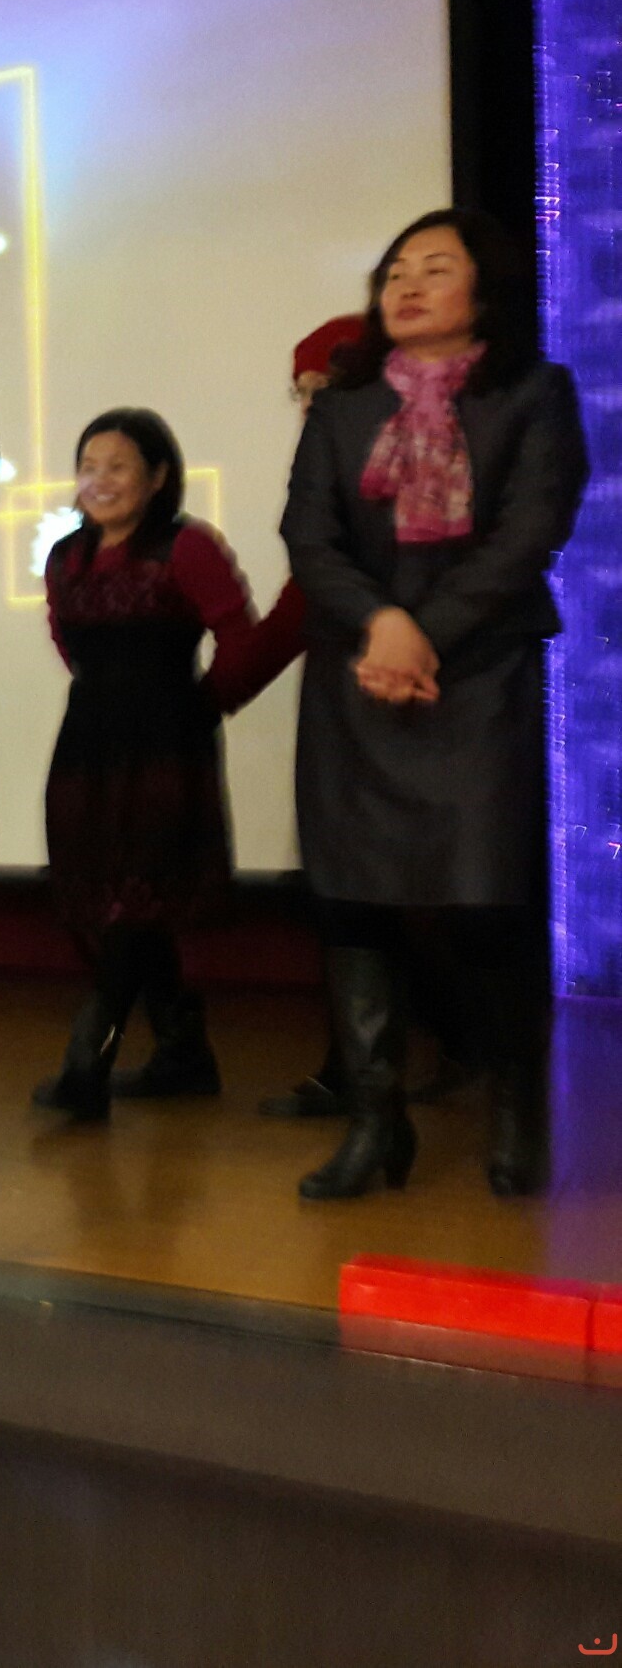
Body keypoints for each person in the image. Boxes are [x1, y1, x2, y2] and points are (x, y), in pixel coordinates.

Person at [282, 209, 588, 1200]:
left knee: (488, 902)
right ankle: (378, 1123)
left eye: (435, 269)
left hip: (479, 676)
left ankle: (515, 1111)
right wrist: (380, 625)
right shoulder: (343, 406)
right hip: (359, 679)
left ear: (484, 291)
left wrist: (425, 632)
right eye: (395, 272)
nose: (407, 287)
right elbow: (309, 537)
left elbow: (530, 532)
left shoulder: (534, 394)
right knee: (351, 901)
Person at [32, 410, 276, 1121]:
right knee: (116, 904)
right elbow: (68, 645)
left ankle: (87, 1062)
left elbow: (241, 639)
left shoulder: (187, 546)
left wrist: (202, 707)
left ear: (159, 476)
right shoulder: (64, 557)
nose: (99, 480)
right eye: (88, 466)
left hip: (167, 747)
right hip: (87, 746)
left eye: (118, 466)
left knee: (139, 901)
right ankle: (183, 1054)